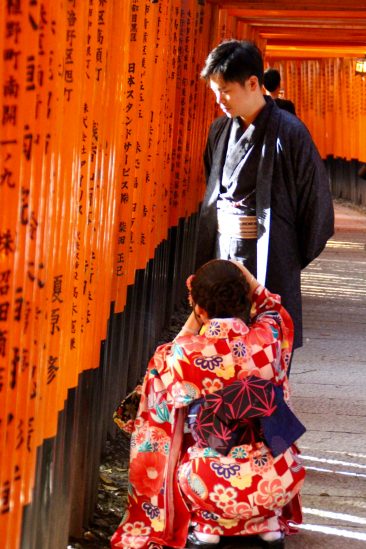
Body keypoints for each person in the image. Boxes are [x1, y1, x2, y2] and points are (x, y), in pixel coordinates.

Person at [111, 259, 306, 549]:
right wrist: (246, 279)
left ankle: (208, 529)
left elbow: (159, 372)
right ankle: (267, 526)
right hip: (278, 478)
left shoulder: (184, 354)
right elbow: (275, 311)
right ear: (245, 300)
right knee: (266, 464)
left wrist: (196, 316)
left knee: (191, 454)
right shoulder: (268, 339)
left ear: (199, 308)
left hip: (210, 482)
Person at [196, 39, 334, 360]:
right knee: (221, 358)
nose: (220, 100)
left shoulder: (290, 132)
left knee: (266, 357)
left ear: (253, 83)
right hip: (224, 253)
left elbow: (315, 204)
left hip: (271, 260)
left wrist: (288, 257)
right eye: (215, 91)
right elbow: (211, 193)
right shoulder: (219, 131)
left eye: (226, 91)